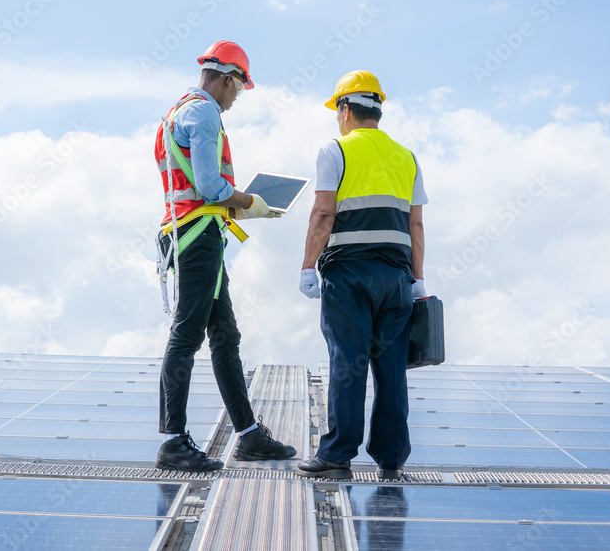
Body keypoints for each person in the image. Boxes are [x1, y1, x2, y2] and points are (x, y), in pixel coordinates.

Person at [153, 40, 297, 472]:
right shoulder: (203, 113)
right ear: (227, 78)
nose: (237, 98)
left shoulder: (179, 111)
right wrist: (250, 200)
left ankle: (248, 434)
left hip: (195, 232)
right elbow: (210, 185)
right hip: (195, 236)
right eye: (239, 88)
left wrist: (242, 205)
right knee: (187, 335)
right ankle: (173, 441)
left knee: (224, 336)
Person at [296, 70, 428, 481]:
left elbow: (322, 213)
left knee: (347, 363)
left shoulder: (335, 150)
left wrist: (306, 266)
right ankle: (392, 459)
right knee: (391, 369)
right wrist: (418, 279)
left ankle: (337, 456)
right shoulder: (406, 157)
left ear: (345, 109)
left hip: (349, 274)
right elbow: (416, 225)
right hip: (397, 278)